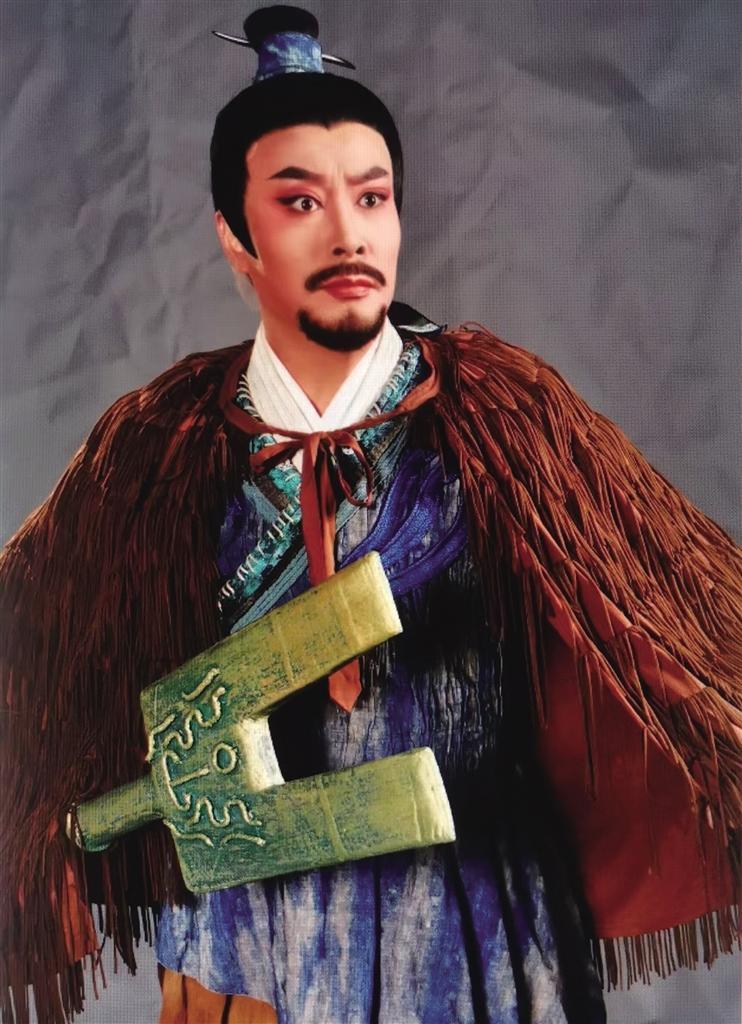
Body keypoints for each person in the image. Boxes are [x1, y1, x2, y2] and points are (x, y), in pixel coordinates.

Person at [1, 6, 739, 1024]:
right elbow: (33, 664)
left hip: (470, 930)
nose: (348, 232)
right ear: (236, 236)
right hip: (243, 946)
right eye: (300, 200)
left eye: (372, 196)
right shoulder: (159, 451)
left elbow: (684, 632)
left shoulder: (501, 420)